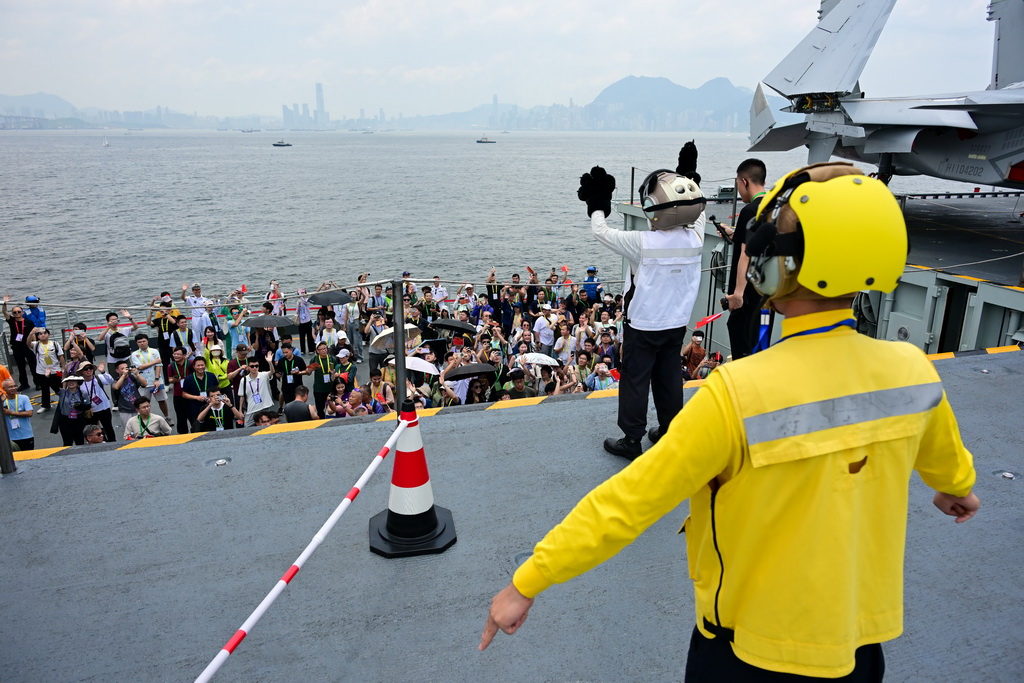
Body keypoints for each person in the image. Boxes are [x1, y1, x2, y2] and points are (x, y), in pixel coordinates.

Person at [480, 161, 981, 681]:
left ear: (776, 268)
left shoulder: (736, 394)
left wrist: (528, 580)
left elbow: (629, 501)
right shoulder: (912, 374)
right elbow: (950, 470)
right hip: (861, 648)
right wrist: (957, 489)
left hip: (747, 652)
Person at [578, 141, 706, 458]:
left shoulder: (643, 242)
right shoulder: (696, 238)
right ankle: (668, 429)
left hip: (644, 324)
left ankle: (632, 439)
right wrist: (688, 175)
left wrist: (598, 201)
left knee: (635, 381)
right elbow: (697, 209)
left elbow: (601, 231)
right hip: (677, 323)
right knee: (669, 378)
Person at [724, 158, 775, 359]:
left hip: (749, 298)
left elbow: (746, 255)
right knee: (761, 346)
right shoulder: (775, 206)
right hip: (767, 296)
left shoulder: (749, 211)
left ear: (744, 181)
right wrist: (735, 234)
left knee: (742, 349)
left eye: (738, 183)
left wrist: (737, 294)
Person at [130, 333, 170, 421]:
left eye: (144, 341)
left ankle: (167, 417)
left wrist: (156, 379)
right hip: (143, 382)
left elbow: (158, 365)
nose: (142, 343)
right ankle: (145, 420)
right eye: (139, 342)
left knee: (162, 400)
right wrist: (154, 362)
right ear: (136, 343)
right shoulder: (134, 354)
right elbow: (140, 367)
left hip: (156, 381)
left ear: (147, 341)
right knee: (143, 404)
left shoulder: (154, 351)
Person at [26, 327, 65, 412]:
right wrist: (31, 333)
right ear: (38, 336)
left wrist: (63, 368)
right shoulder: (36, 345)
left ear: (48, 334)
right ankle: (45, 405)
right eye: (40, 334)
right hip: (41, 371)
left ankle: (66, 401)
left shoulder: (55, 344)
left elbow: (61, 356)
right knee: (44, 388)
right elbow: (28, 343)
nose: (43, 335)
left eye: (44, 333)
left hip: (55, 370)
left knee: (61, 386)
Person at [2, 295, 36, 389]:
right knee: (21, 367)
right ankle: (24, 384)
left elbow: (32, 333)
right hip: (17, 347)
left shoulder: (28, 322)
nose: (17, 313)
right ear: (12, 313)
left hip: (27, 346)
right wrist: (5, 303)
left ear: (22, 312)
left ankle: (38, 383)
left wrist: (35, 344)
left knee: (33, 365)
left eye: (18, 312)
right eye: (14, 312)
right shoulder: (12, 321)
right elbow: (4, 312)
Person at [78, 361, 117, 442]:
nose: (88, 370)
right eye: (86, 369)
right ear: (81, 371)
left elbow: (111, 381)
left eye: (90, 368)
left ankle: (113, 443)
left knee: (108, 427)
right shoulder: (80, 383)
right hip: (90, 410)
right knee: (92, 431)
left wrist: (103, 372)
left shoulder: (99, 378)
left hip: (103, 407)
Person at [237, 353, 276, 427]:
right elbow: (241, 396)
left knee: (266, 426)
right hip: (252, 408)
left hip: (264, 406)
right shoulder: (244, 380)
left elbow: (272, 372)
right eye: (252, 366)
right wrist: (240, 410)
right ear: (248, 367)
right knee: (248, 426)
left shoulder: (263, 375)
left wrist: (270, 362)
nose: (254, 368)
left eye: (256, 366)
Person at [182, 357, 219, 431]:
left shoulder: (211, 376)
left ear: (205, 365)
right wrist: (196, 397)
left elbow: (217, 389)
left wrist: (211, 398)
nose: (200, 367)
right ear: (194, 367)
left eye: (202, 365)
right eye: (198, 365)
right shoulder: (189, 379)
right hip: (195, 407)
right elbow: (184, 394)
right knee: (197, 428)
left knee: (211, 427)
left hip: (211, 406)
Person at [52, 375, 89, 446]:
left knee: (80, 442)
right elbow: (54, 386)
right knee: (67, 442)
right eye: (69, 381)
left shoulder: (83, 393)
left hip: (79, 420)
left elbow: (87, 406)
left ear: (77, 382)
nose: (71, 382)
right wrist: (48, 377)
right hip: (65, 421)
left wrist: (80, 407)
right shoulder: (62, 392)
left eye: (73, 381)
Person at [164, 347, 194, 433]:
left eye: (178, 354)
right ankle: (182, 435)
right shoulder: (171, 366)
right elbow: (169, 380)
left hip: (190, 394)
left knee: (192, 415)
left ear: (184, 355)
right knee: (180, 417)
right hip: (178, 394)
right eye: (174, 354)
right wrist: (175, 380)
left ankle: (196, 432)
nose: (175, 356)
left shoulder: (190, 363)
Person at [3, 378, 35, 451]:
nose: (13, 388)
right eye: (10, 387)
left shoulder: (24, 398)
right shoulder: (3, 402)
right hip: (10, 438)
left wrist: (11, 413)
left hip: (26, 436)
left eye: (15, 386)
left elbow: (29, 413)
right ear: (4, 389)